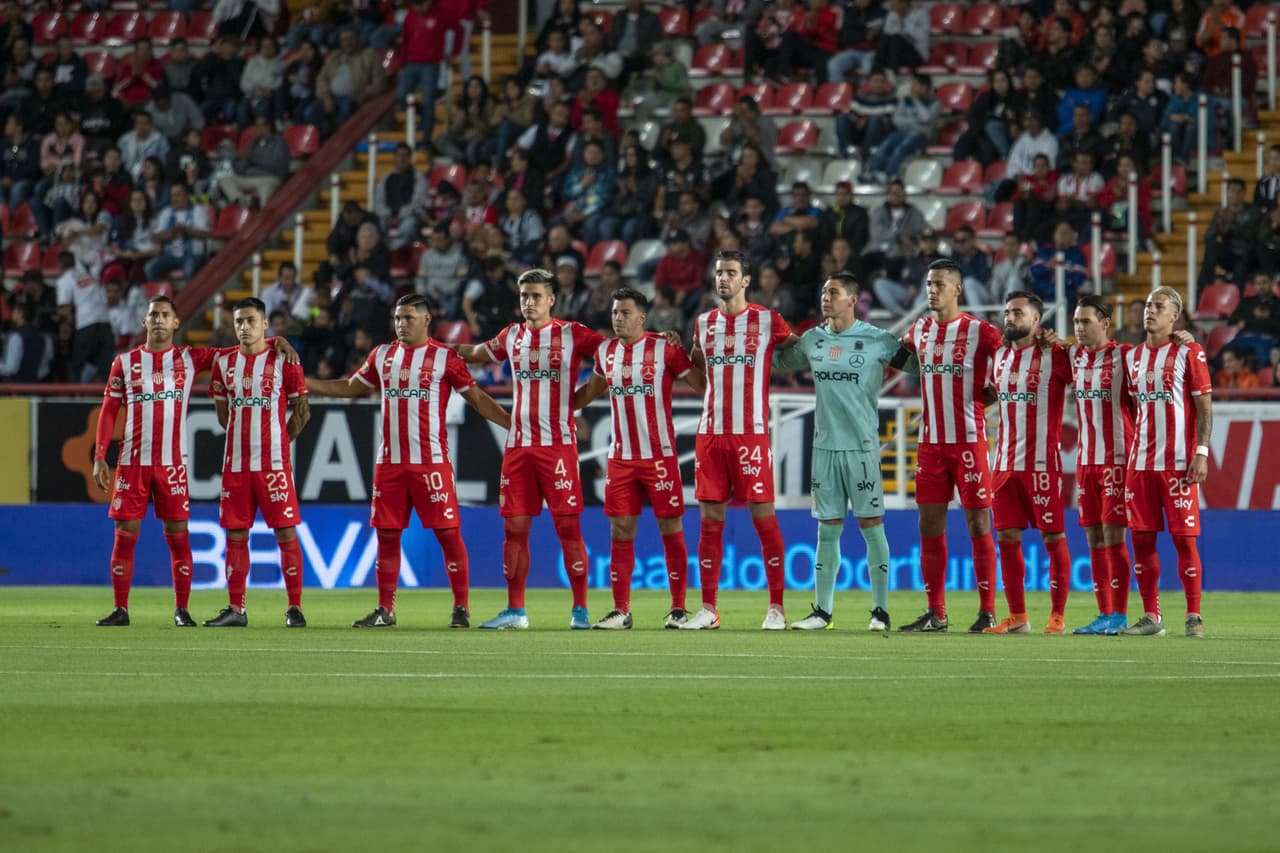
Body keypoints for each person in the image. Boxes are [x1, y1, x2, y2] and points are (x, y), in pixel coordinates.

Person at [305, 293, 512, 628]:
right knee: (387, 536)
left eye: (409, 318)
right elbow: (350, 388)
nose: (401, 324)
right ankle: (385, 610)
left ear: (426, 320)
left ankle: (461, 608)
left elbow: (476, 398)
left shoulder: (445, 357)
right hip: (389, 464)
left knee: (448, 534)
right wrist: (306, 382)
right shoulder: (383, 355)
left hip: (431, 464)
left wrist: (509, 423)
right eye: (398, 318)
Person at [91, 297, 295, 627]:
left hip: (172, 464)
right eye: (153, 314)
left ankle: (182, 609)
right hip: (131, 462)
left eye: (165, 315)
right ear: (144, 322)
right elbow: (109, 412)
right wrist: (101, 456)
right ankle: (120, 608)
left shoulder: (189, 358)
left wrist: (273, 340)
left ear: (176, 323)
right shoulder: (124, 363)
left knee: (178, 534)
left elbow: (242, 347)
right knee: (125, 532)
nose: (158, 319)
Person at [455, 269, 606, 629]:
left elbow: (614, 353)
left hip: (558, 447)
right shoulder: (512, 336)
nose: (529, 302)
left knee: (568, 529)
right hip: (519, 447)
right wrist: (437, 348)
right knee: (515, 530)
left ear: (552, 299)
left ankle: (580, 609)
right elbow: (477, 352)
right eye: (524, 295)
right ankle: (516, 610)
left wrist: (581, 399)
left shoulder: (572, 333)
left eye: (537, 296)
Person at [772, 273, 918, 630]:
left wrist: (925, 343)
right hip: (824, 448)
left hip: (862, 448)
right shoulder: (813, 340)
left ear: (853, 299)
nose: (826, 297)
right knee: (827, 530)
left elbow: (917, 366)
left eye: (833, 292)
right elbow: (778, 363)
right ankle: (822, 612)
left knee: (871, 526)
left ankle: (880, 611)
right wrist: (754, 341)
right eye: (824, 291)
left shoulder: (877, 340)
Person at [572, 288, 707, 629]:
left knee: (670, 528)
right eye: (615, 312)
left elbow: (702, 386)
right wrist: (557, 406)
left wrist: (698, 352)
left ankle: (678, 609)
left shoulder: (665, 349)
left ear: (642, 317)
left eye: (625, 312)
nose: (618, 318)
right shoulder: (606, 353)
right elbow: (590, 391)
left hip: (659, 456)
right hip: (621, 457)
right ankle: (621, 610)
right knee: (620, 529)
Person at [680, 251, 800, 630]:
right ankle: (709, 609)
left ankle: (777, 608)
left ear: (746, 280)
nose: (724, 279)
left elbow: (795, 349)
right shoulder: (702, 323)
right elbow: (697, 366)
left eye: (731, 273)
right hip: (710, 434)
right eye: (719, 273)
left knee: (764, 520)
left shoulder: (767, 320)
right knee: (710, 522)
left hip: (750, 434)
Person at [897, 259, 1003, 632]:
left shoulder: (981, 332)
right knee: (928, 525)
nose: (932, 290)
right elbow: (899, 353)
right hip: (930, 445)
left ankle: (987, 610)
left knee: (978, 523)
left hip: (969, 443)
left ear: (957, 289)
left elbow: (1009, 361)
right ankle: (936, 613)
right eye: (929, 283)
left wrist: (987, 398)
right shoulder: (920, 330)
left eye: (939, 284)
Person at [204, 298, 311, 628]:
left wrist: (278, 442)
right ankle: (236, 608)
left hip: (274, 465)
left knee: (285, 532)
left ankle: (294, 608)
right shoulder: (223, 363)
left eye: (251, 320)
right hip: (236, 466)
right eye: (238, 322)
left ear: (265, 324)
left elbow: (302, 411)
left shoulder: (284, 359)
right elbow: (224, 416)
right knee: (236, 534)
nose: (244, 327)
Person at [1120, 287, 1214, 638]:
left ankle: (1193, 616)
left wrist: (1200, 452)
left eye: (1159, 306)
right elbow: (1131, 407)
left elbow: (1205, 407)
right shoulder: (1131, 357)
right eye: (1147, 305)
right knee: (1142, 543)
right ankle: (1151, 617)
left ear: (1175, 316)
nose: (1150, 311)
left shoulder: (1189, 352)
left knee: (1184, 541)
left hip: (1178, 465)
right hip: (1140, 466)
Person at [982, 291, 1074, 635]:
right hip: (1003, 464)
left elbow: (1088, 367)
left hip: (1041, 466)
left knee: (1053, 537)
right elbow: (993, 394)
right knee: (1006, 536)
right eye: (1007, 311)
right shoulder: (1001, 355)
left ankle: (1058, 616)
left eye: (1018, 313)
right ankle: (1018, 617)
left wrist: (1062, 343)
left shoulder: (1054, 355)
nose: (1009, 317)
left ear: (1037, 321)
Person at [55, 251, 113, 383]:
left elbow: (65, 309)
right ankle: (109, 402)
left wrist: (63, 332)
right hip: (105, 323)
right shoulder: (91, 276)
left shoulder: (65, 279)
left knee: (76, 366)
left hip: (86, 324)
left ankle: (75, 401)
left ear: (60, 265)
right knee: (106, 370)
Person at [146, 184, 211, 283]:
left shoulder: (198, 210)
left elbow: (206, 234)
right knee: (150, 267)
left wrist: (186, 231)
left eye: (178, 195)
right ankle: (162, 295)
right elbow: (156, 237)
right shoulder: (167, 212)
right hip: (171, 255)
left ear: (187, 196)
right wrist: (171, 233)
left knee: (189, 269)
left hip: (192, 254)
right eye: (172, 195)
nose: (174, 198)